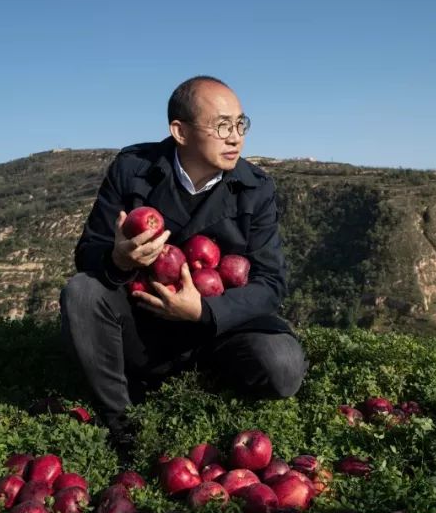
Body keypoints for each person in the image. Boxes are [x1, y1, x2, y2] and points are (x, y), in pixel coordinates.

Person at [59, 75, 308, 457]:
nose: (236, 137)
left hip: (220, 328)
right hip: (147, 320)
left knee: (284, 366)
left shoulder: (256, 188)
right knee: (81, 292)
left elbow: (270, 282)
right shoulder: (132, 170)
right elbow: (88, 251)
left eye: (241, 124)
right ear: (180, 131)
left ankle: (194, 379)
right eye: (222, 125)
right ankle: (122, 425)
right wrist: (119, 258)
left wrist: (204, 311)